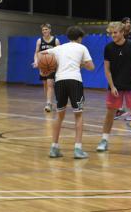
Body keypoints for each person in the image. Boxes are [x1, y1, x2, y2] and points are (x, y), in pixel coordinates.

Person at [39, 26, 94, 159]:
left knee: (59, 115)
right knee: (78, 115)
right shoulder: (82, 48)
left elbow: (42, 54)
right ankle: (78, 149)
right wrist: (80, 63)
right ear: (80, 37)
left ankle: (54, 148)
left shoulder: (59, 48)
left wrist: (46, 66)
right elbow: (91, 67)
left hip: (60, 81)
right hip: (75, 81)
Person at [96, 22, 131, 152]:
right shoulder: (108, 48)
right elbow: (107, 70)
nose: (112, 35)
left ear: (122, 32)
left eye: (115, 32)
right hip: (115, 86)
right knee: (110, 113)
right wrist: (112, 86)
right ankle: (104, 140)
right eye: (111, 33)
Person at [116, 17, 131, 120]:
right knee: (118, 88)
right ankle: (120, 109)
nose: (128, 24)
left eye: (129, 22)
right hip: (120, 66)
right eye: (126, 22)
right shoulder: (118, 36)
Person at [32, 23, 60, 113]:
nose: (45, 31)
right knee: (45, 85)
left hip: (51, 66)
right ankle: (49, 102)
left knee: (50, 84)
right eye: (43, 30)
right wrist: (36, 62)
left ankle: (49, 103)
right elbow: (36, 52)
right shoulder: (39, 41)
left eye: (46, 29)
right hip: (43, 66)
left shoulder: (56, 41)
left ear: (50, 30)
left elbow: (60, 53)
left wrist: (58, 64)